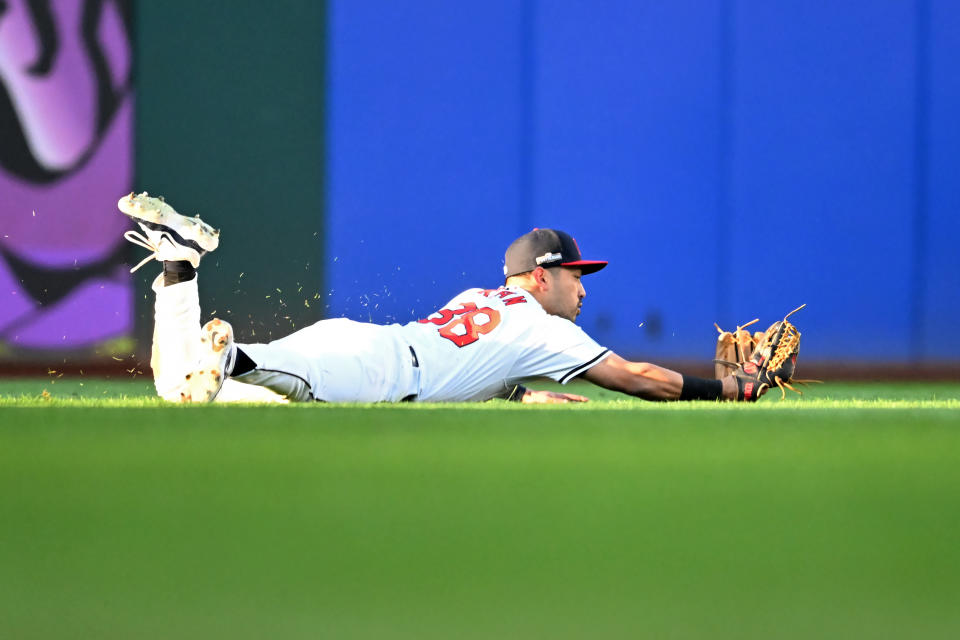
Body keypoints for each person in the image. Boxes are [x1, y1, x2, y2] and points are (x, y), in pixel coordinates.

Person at [119, 192, 763, 404]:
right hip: (370, 371)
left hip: (363, 347)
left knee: (177, 387)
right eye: (573, 274)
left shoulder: (484, 297)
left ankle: (179, 265)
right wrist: (728, 391)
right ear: (541, 277)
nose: (582, 286)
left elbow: (474, 358)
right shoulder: (547, 328)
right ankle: (231, 354)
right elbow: (636, 377)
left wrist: (521, 394)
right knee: (214, 375)